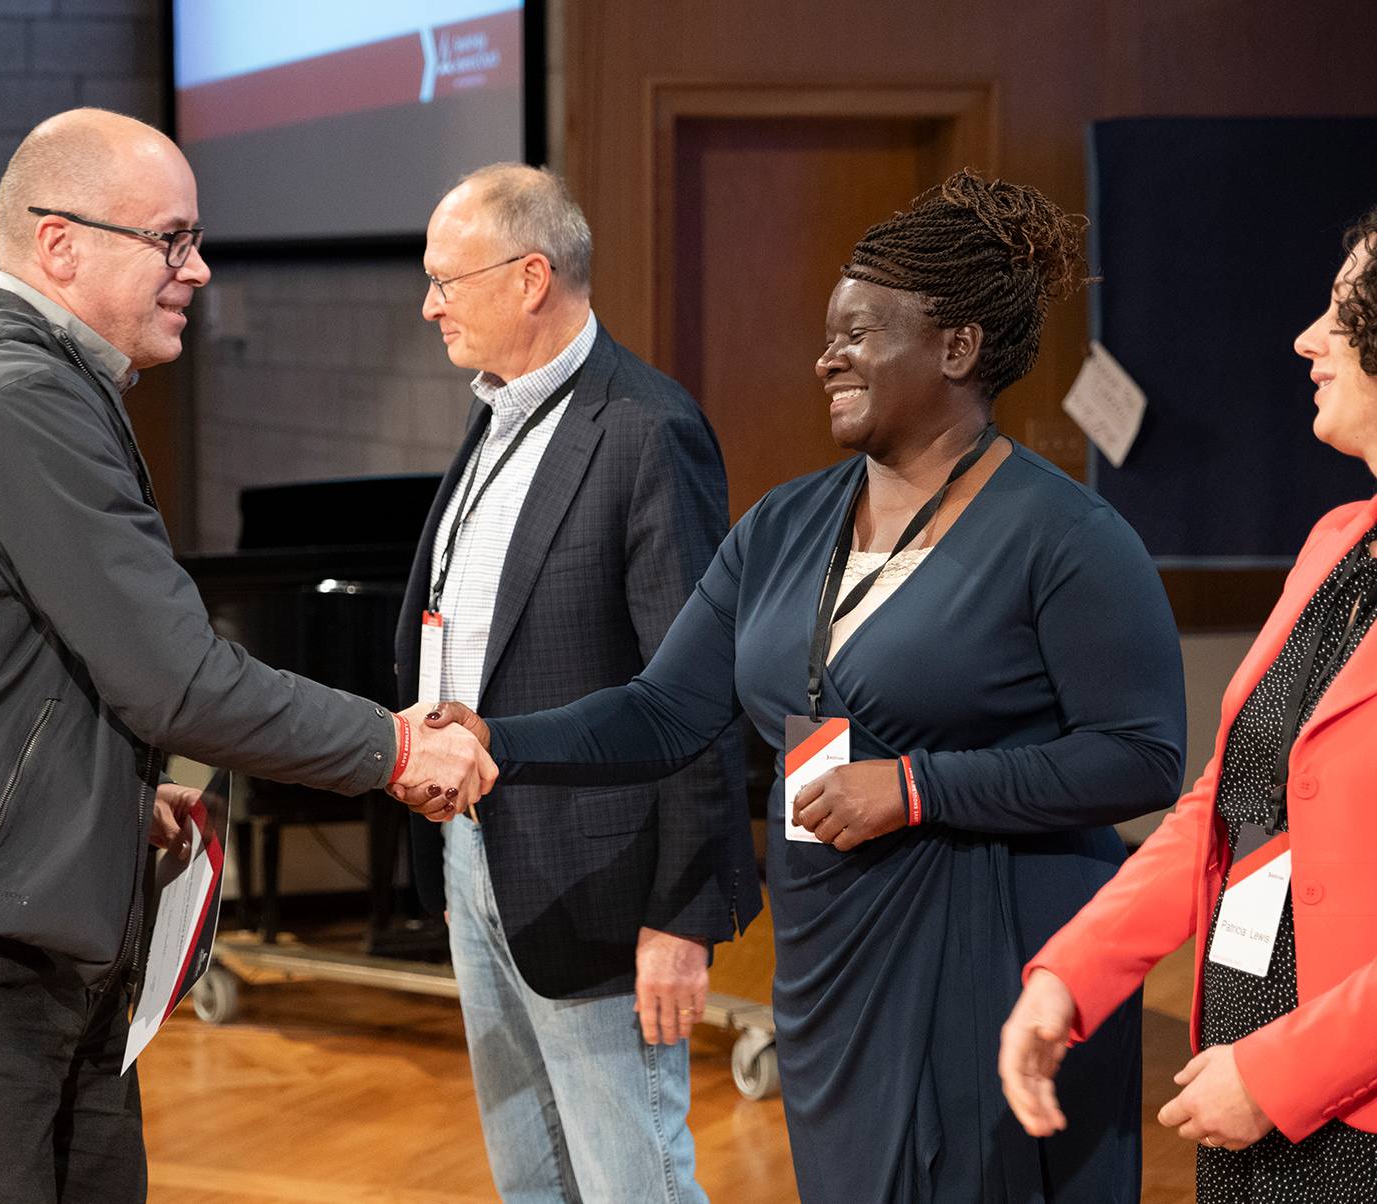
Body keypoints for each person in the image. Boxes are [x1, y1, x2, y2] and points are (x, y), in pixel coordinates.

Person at [409, 171, 1188, 1202]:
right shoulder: (785, 525)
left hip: (992, 947)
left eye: (860, 334)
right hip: (830, 954)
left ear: (957, 349)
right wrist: (501, 739)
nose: (828, 356)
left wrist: (916, 788)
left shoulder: (1070, 537)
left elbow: (1142, 757)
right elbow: (666, 706)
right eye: (829, 333)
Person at [0, 108, 491, 1204]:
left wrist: (107, 794)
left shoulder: (26, 386)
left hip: (10, 923)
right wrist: (392, 746)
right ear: (60, 243)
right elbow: (177, 678)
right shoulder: (17, 400)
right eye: (171, 239)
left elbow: (24, 668)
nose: (195, 269)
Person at [399, 164, 760, 1204]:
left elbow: (696, 694)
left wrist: (683, 914)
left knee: (630, 1181)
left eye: (445, 280)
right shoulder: (497, 415)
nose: (430, 305)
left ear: (529, 278)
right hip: (479, 852)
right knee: (532, 1178)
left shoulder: (648, 429)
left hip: (603, 877)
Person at [1002, 205, 1377, 1202]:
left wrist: (1280, 1072)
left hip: (1342, 1102)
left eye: (1344, 314)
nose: (1307, 337)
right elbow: (1226, 804)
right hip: (1243, 1078)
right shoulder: (1339, 541)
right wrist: (1069, 975)